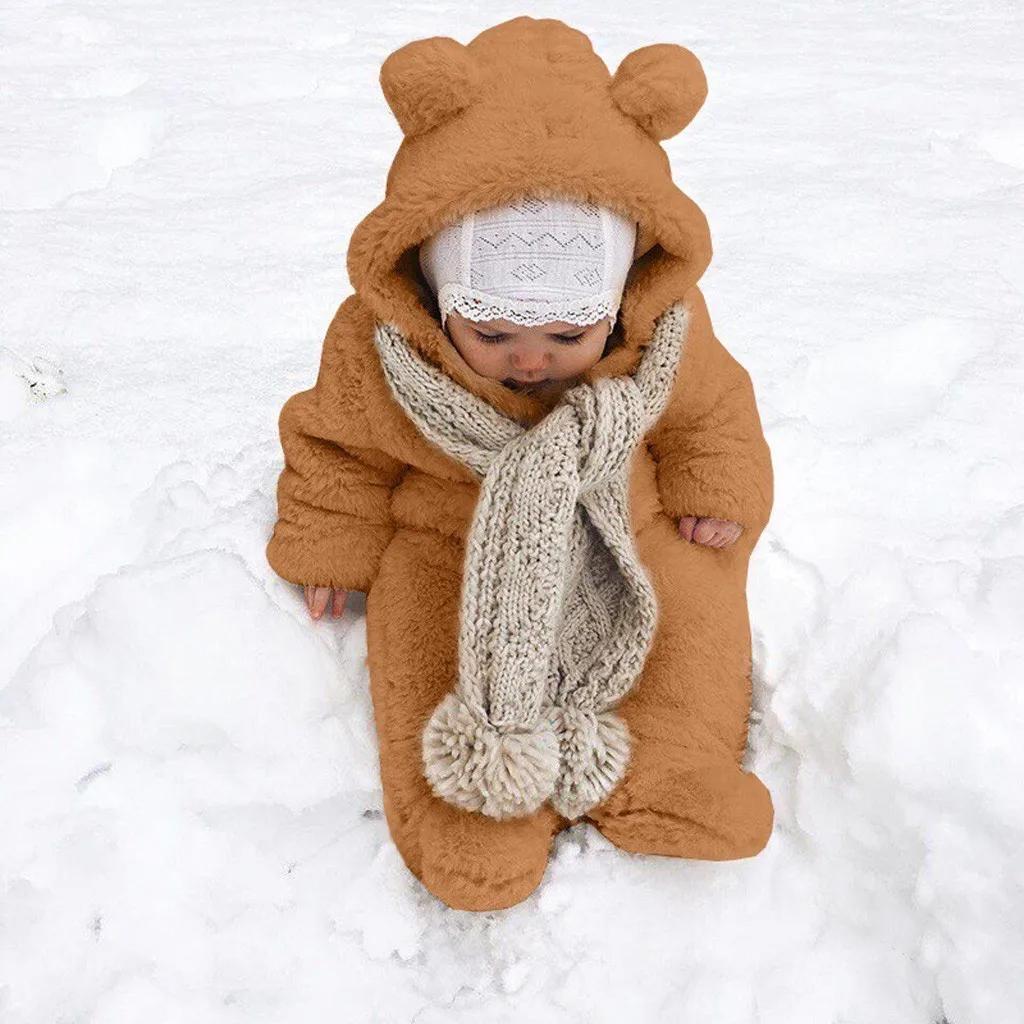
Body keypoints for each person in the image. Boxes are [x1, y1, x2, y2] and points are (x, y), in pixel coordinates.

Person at [266, 16, 774, 911]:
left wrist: (714, 488)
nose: (530, 359)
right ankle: (470, 803)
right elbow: (337, 446)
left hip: (623, 521)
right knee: (427, 648)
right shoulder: (384, 352)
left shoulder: (662, 339)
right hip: (450, 538)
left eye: (568, 334)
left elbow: (713, 414)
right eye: (493, 333)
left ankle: (670, 764)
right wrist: (330, 544)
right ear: (432, 291)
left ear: (620, 301)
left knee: (689, 622)